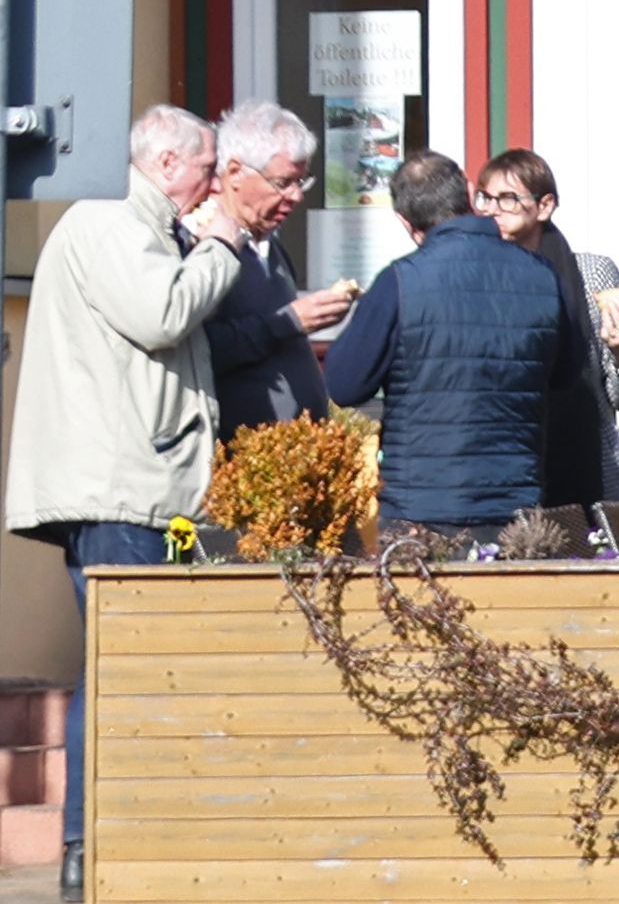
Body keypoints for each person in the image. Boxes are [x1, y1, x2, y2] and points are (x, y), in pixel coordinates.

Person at [0, 107, 249, 574]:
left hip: (152, 494)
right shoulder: (110, 220)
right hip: (124, 496)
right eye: (208, 169)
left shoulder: (141, 225)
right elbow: (163, 315)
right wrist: (219, 246)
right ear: (169, 162)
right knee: (141, 642)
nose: (216, 186)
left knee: (161, 639)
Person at [316, 151, 610, 544]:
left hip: (419, 505)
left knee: (421, 607)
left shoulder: (399, 281)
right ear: (470, 194)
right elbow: (566, 373)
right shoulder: (541, 274)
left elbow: (346, 385)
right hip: (513, 501)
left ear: (405, 222)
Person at [473, 149, 619, 462]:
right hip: (499, 470)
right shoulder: (474, 280)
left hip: (585, 470)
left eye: (507, 198)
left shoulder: (589, 275)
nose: (493, 209)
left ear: (545, 205)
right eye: (486, 198)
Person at [199, 104, 357, 434]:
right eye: (283, 182)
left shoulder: (268, 244)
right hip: (243, 462)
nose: (297, 196)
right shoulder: (203, 247)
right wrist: (288, 323)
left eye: (302, 181)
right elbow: (200, 350)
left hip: (292, 455)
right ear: (234, 172)